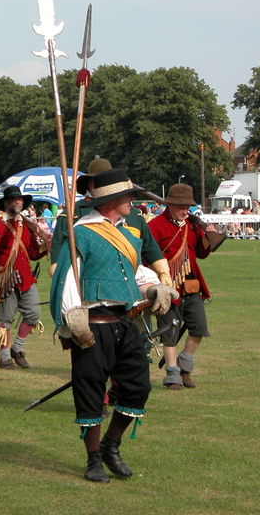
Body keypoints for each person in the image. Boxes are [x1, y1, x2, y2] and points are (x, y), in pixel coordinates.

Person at [50, 169, 177, 483]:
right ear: (113, 200)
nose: (133, 201)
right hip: (92, 324)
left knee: (137, 387)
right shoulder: (81, 231)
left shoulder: (127, 233)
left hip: (125, 323)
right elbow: (68, 277)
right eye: (128, 196)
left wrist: (152, 287)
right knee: (90, 393)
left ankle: (111, 445)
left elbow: (131, 273)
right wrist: (73, 317)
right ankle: (93, 459)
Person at [148, 183, 215, 390]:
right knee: (169, 332)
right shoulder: (155, 225)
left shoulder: (192, 226)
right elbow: (146, 254)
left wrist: (209, 237)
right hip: (167, 286)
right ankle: (172, 374)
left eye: (187, 207)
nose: (185, 211)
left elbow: (201, 254)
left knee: (198, 328)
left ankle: (185, 367)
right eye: (181, 207)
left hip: (191, 286)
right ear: (170, 205)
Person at [0, 186, 47, 369]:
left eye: (20, 199)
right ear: (6, 203)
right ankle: (4, 357)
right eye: (14, 199)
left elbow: (32, 253)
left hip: (26, 278)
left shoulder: (27, 226)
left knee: (33, 314)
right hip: (5, 278)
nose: (18, 201)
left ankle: (18, 348)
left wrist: (48, 245)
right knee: (5, 319)